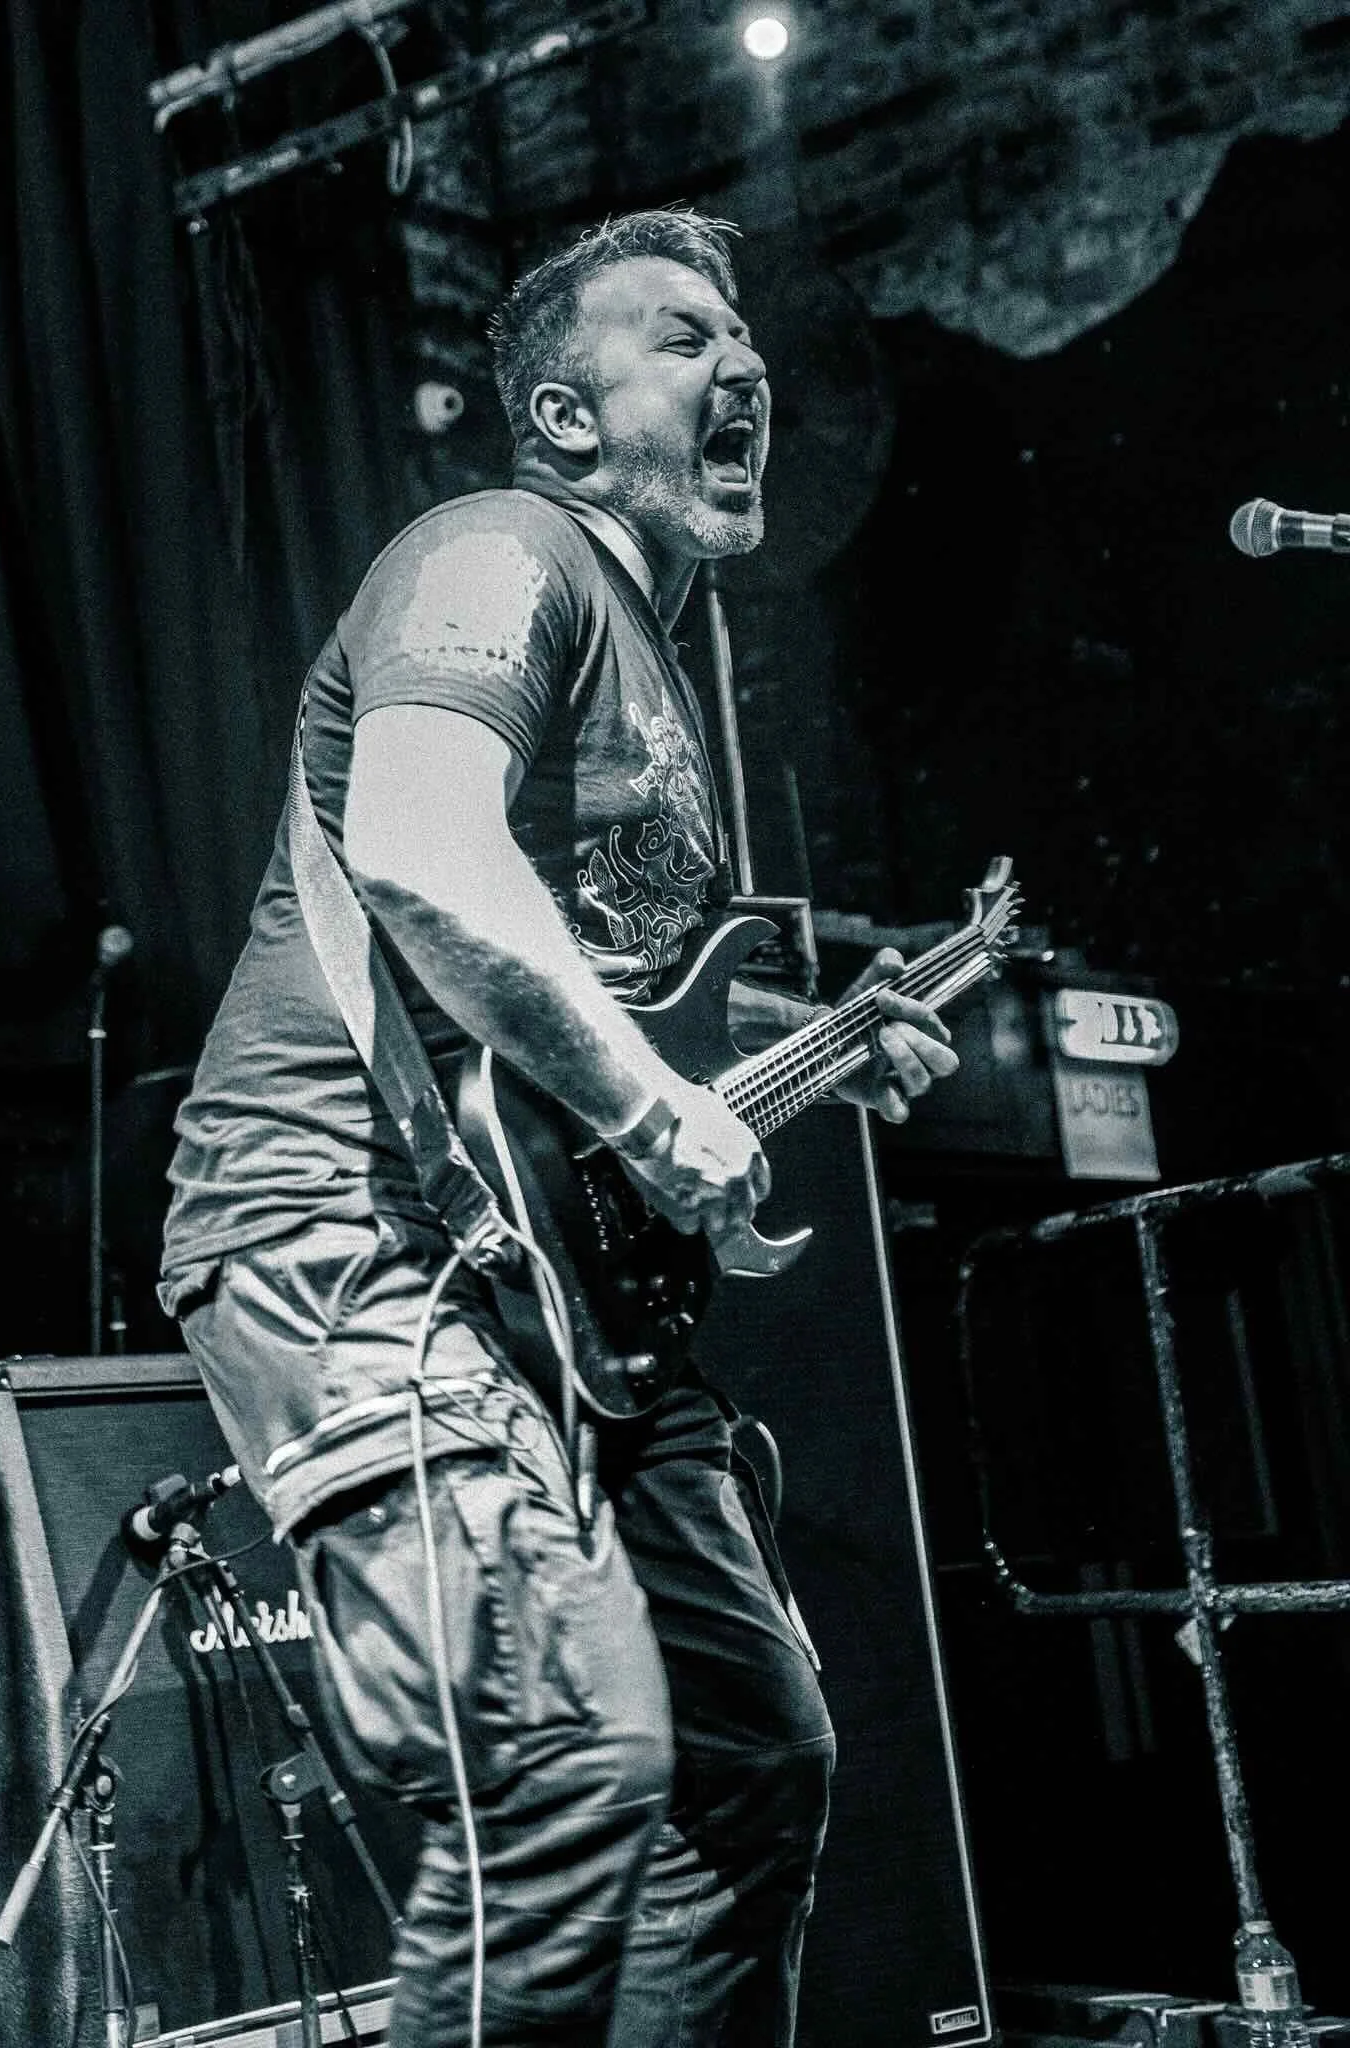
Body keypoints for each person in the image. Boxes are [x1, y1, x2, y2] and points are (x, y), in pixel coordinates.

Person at [158, 207, 958, 2047]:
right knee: (564, 1754)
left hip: (558, 1294)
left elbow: (589, 1000)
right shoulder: (495, 547)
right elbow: (425, 856)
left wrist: (811, 1047)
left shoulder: (670, 666)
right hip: (344, 1227)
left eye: (743, 340)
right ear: (565, 414)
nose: (742, 363)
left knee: (755, 1759)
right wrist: (650, 1103)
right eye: (681, 338)